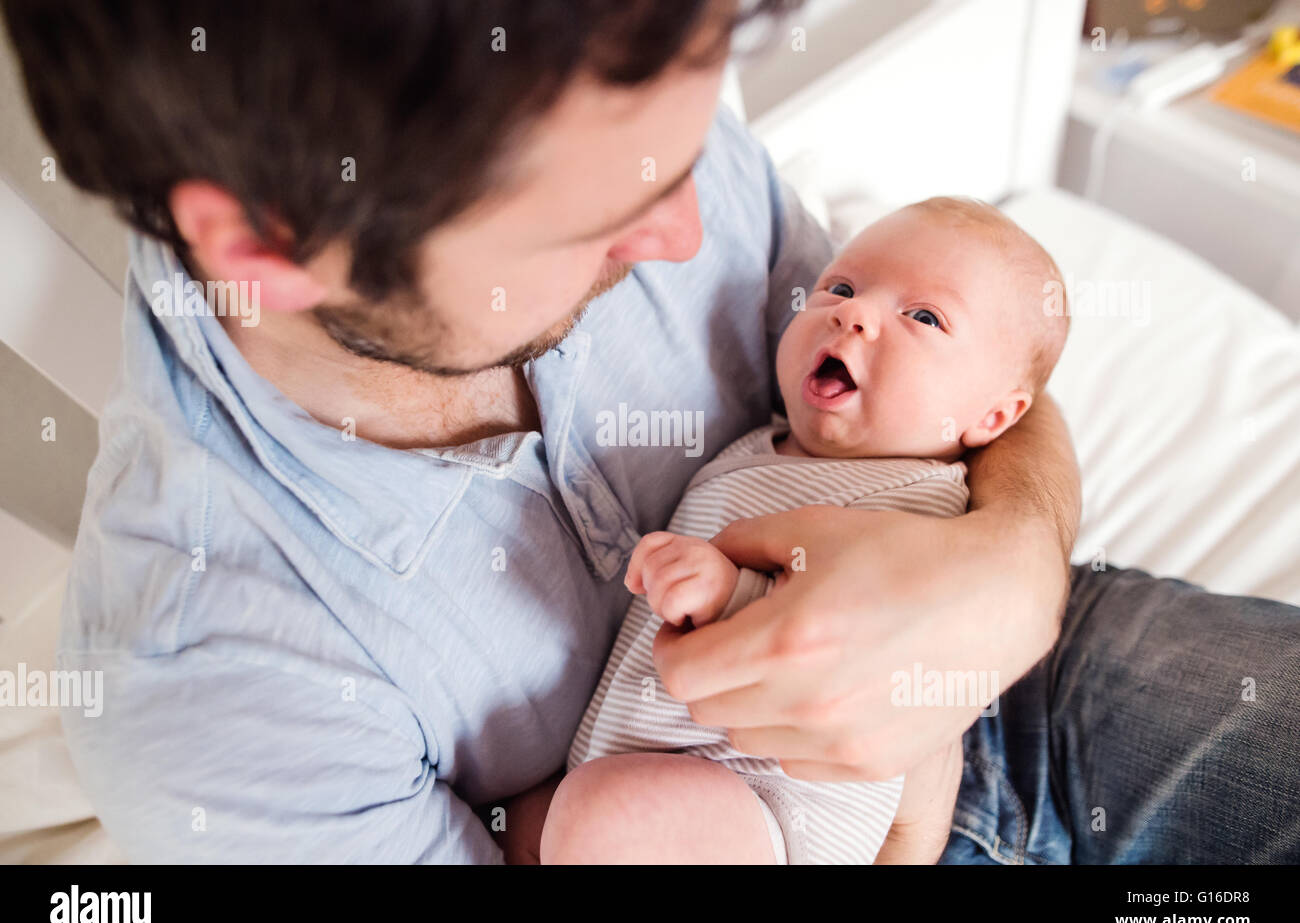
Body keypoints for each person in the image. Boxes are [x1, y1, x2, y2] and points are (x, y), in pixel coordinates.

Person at [5, 0, 1296, 864]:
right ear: (271, 246)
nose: (688, 236)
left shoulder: (605, 105)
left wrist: (1013, 557)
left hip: (1010, 677)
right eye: (605, 221)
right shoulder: (215, 681)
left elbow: (952, 381)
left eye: (688, 164)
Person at [548, 197, 1070, 865]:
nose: (853, 313)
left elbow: (847, 631)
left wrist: (727, 594)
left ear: (995, 415)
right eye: (840, 287)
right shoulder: (762, 443)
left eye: (924, 317)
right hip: (657, 763)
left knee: (603, 816)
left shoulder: (916, 502)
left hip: (774, 804)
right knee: (561, 818)